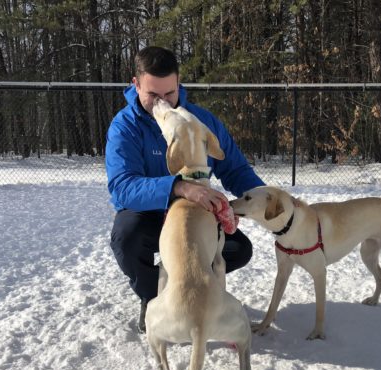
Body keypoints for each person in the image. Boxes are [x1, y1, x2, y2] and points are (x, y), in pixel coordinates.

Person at [105, 46, 265, 333]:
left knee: (238, 249)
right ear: (136, 84)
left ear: (178, 83)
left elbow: (234, 169)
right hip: (149, 214)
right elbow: (122, 187)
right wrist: (179, 187)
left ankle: (195, 289)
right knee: (126, 238)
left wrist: (267, 198)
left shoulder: (200, 121)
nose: (163, 102)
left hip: (194, 215)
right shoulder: (125, 126)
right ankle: (153, 296)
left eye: (169, 93)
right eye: (153, 95)